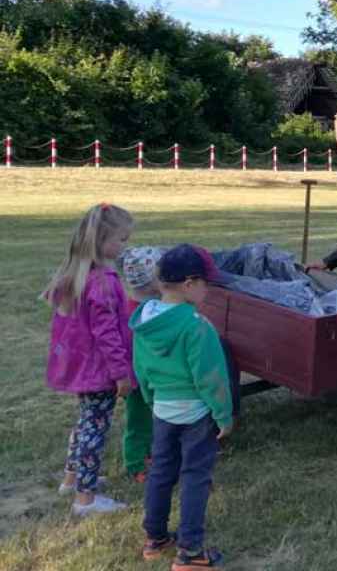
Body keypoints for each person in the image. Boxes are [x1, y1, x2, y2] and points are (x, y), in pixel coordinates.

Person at [131, 244, 233, 569]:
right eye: (206, 283)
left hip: (162, 408)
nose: (208, 290)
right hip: (196, 415)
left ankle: (155, 537)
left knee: (161, 471)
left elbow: (142, 370)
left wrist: (151, 401)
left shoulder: (144, 321)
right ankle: (190, 552)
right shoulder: (196, 326)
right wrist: (224, 416)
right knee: (195, 476)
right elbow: (211, 378)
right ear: (189, 284)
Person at [43, 203, 135, 517]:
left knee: (84, 424)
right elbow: (107, 335)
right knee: (95, 430)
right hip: (100, 372)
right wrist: (122, 373)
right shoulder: (104, 282)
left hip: (83, 368)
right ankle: (86, 499)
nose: (126, 245)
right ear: (102, 241)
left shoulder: (80, 276)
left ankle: (73, 478)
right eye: (122, 239)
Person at [118, 245, 167, 483]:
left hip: (145, 377)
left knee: (149, 418)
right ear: (152, 283)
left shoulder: (135, 307)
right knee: (138, 421)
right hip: (137, 380)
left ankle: (147, 454)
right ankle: (135, 464)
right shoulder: (144, 313)